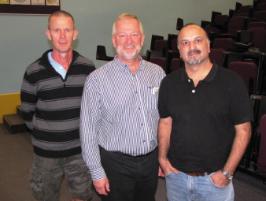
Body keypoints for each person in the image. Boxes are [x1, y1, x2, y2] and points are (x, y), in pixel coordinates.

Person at [158, 23, 252, 201]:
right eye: (185, 43)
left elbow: (244, 130)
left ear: (208, 46)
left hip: (214, 180)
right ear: (179, 50)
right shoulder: (169, 83)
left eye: (197, 41)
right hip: (176, 177)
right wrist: (162, 159)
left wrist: (227, 172)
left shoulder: (232, 82)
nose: (191, 47)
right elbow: (165, 122)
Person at [80, 13, 165, 201]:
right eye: (122, 35)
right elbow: (88, 129)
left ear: (142, 38)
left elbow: (163, 120)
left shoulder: (157, 73)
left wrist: (163, 157)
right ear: (113, 40)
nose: (129, 41)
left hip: (150, 161)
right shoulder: (97, 79)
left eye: (134, 35)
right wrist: (96, 171)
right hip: (114, 164)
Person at [20, 10, 95, 201]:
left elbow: (93, 108)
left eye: (67, 30)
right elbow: (27, 111)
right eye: (57, 30)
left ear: (75, 34)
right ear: (48, 34)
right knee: (45, 196)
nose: (62, 36)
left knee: (82, 195)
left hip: (79, 150)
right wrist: (44, 135)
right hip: (46, 153)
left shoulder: (88, 68)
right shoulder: (34, 71)